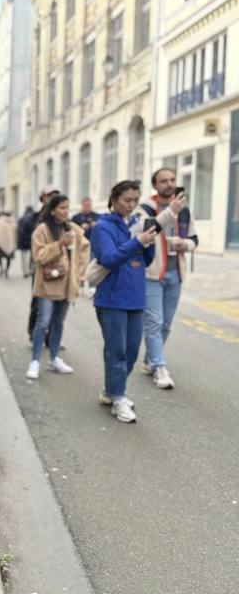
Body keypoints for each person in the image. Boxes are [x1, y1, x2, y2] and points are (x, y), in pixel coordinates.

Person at [90, 181, 159, 423]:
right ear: (115, 199)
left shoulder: (136, 223)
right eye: (127, 200)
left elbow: (147, 260)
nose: (131, 205)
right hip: (111, 299)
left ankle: (111, 391)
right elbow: (108, 258)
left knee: (131, 352)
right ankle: (118, 397)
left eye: (135, 200)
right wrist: (137, 241)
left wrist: (149, 241)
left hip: (136, 298)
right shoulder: (102, 227)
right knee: (116, 352)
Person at [140, 168, 198, 390]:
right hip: (153, 273)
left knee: (166, 324)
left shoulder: (184, 210)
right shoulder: (145, 208)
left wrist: (187, 244)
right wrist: (170, 211)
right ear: (155, 185)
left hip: (176, 273)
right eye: (164, 181)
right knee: (154, 322)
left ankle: (149, 361)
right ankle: (159, 366)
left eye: (172, 180)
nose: (170, 184)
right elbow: (148, 231)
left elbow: (194, 237)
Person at [26, 194, 89, 380]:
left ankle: (54, 358)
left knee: (59, 322)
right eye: (62, 208)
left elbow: (85, 248)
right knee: (43, 322)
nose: (65, 211)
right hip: (48, 285)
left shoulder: (72, 228)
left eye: (67, 208)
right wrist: (59, 244)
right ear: (52, 210)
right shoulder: (42, 229)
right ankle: (35, 361)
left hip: (67, 284)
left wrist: (79, 273)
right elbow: (38, 256)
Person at [27, 187, 60, 340]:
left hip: (58, 264)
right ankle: (34, 332)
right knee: (38, 299)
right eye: (49, 195)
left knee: (56, 300)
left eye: (55, 195)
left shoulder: (61, 217)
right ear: (43, 198)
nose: (53, 198)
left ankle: (51, 336)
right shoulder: (37, 217)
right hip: (40, 263)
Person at [0, 210, 17, 278]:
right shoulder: (13, 222)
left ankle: (1, 268)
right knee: (9, 258)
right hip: (10, 243)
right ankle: (6, 270)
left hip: (0, 243)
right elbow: (16, 233)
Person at [17, 206, 35, 278]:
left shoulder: (22, 218)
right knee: (30, 257)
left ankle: (25, 271)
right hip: (30, 241)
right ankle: (29, 270)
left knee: (24, 258)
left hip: (22, 241)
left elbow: (18, 230)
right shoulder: (32, 218)